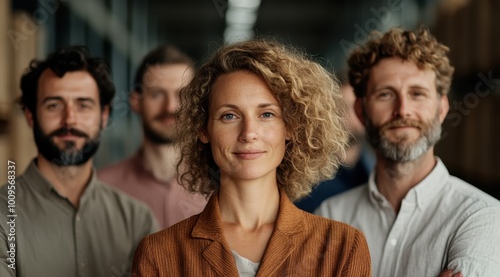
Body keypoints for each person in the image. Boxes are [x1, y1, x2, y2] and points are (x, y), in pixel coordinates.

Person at [132, 39, 372, 276]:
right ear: (203, 130)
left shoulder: (343, 247)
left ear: (291, 126)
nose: (248, 133)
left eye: (266, 114)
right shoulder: (158, 254)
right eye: (229, 116)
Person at [316, 27, 500, 277]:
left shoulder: (482, 217)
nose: (403, 110)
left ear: (442, 109)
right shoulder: (330, 217)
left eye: (417, 94)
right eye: (385, 94)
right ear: (361, 111)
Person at [0, 46, 157, 277]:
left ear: (103, 116)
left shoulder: (137, 221)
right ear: (31, 116)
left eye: (83, 105)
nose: (69, 119)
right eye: (54, 105)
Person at [98, 45, 206, 229]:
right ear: (136, 101)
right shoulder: (102, 188)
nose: (170, 107)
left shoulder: (221, 186)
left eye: (182, 95)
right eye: (157, 94)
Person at [295, 82, 375, 213]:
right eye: (339, 107)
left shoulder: (372, 176)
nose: (344, 116)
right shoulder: (305, 178)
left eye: (356, 107)